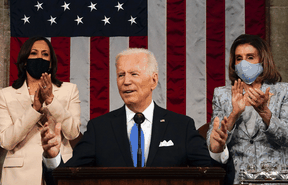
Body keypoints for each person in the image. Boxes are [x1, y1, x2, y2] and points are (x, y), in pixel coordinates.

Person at [41, 48, 234, 184]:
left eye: (134, 74)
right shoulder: (99, 129)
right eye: (121, 75)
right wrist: (53, 157)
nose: (126, 82)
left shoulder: (181, 126)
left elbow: (215, 179)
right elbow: (65, 180)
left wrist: (217, 153)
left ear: (154, 80)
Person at [207, 34, 287, 184]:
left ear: (263, 60)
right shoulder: (222, 94)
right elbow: (214, 147)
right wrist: (234, 114)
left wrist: (265, 114)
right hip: (238, 179)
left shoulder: (284, 92)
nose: (244, 63)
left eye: (250, 57)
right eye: (239, 58)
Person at [0, 37, 81, 185]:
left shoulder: (69, 90)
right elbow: (6, 141)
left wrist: (51, 100)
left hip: (59, 170)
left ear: (50, 63)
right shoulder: (6, 95)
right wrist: (34, 109)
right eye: (34, 53)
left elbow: (73, 132)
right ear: (25, 61)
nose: (39, 58)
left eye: (45, 54)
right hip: (19, 176)